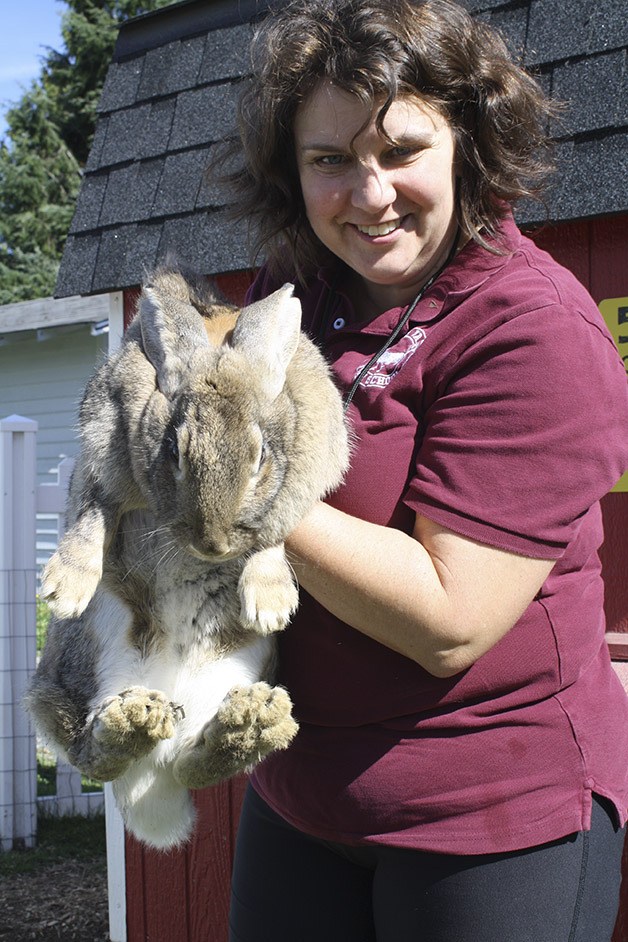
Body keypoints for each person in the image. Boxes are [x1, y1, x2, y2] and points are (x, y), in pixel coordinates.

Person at [220, 1, 628, 939]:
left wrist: (233, 487)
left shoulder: (530, 328)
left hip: (489, 814)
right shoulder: (297, 291)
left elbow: (450, 620)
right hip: (300, 795)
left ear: (468, 148)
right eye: (329, 160)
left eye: (401, 150)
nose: (368, 196)